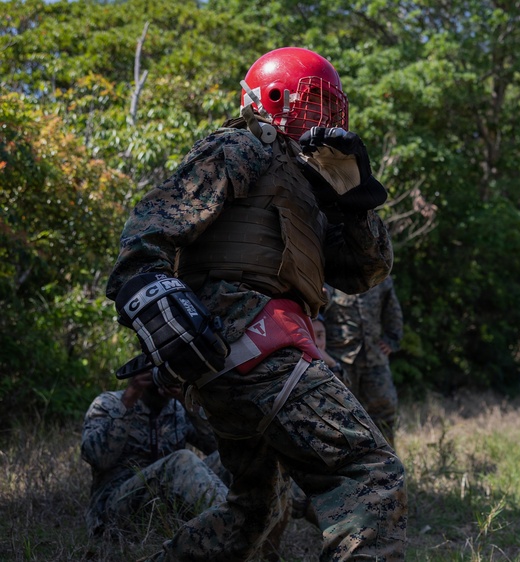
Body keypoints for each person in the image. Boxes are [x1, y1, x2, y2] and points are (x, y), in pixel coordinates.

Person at [105, 46, 406, 561]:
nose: (323, 120)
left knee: (257, 509)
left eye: (330, 109)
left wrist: (354, 203)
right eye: (312, 105)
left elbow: (365, 273)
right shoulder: (244, 146)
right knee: (370, 474)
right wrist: (154, 297)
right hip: (249, 337)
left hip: (252, 352)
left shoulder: (306, 183)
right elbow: (149, 226)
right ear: (272, 99)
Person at [81, 367, 229, 539]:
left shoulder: (176, 409)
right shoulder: (108, 403)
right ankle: (235, 526)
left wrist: (189, 403)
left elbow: (217, 448)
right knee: (183, 458)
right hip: (114, 507)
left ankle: (253, 519)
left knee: (231, 457)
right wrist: (129, 400)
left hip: (166, 505)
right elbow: (98, 459)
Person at [323, 276, 404, 446]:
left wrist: (392, 340)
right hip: (339, 359)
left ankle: (386, 461)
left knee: (385, 410)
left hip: (374, 358)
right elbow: (316, 311)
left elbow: (392, 310)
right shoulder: (330, 277)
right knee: (339, 415)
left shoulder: (379, 277)